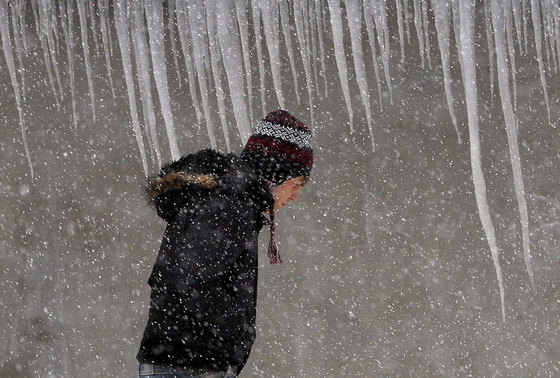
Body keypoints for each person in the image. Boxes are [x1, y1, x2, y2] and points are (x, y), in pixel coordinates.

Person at [136, 110, 314, 377]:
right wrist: (237, 328)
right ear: (274, 174)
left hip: (181, 358)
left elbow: (180, 277)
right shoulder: (230, 205)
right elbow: (192, 279)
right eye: (297, 183)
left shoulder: (228, 200)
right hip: (191, 365)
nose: (296, 196)